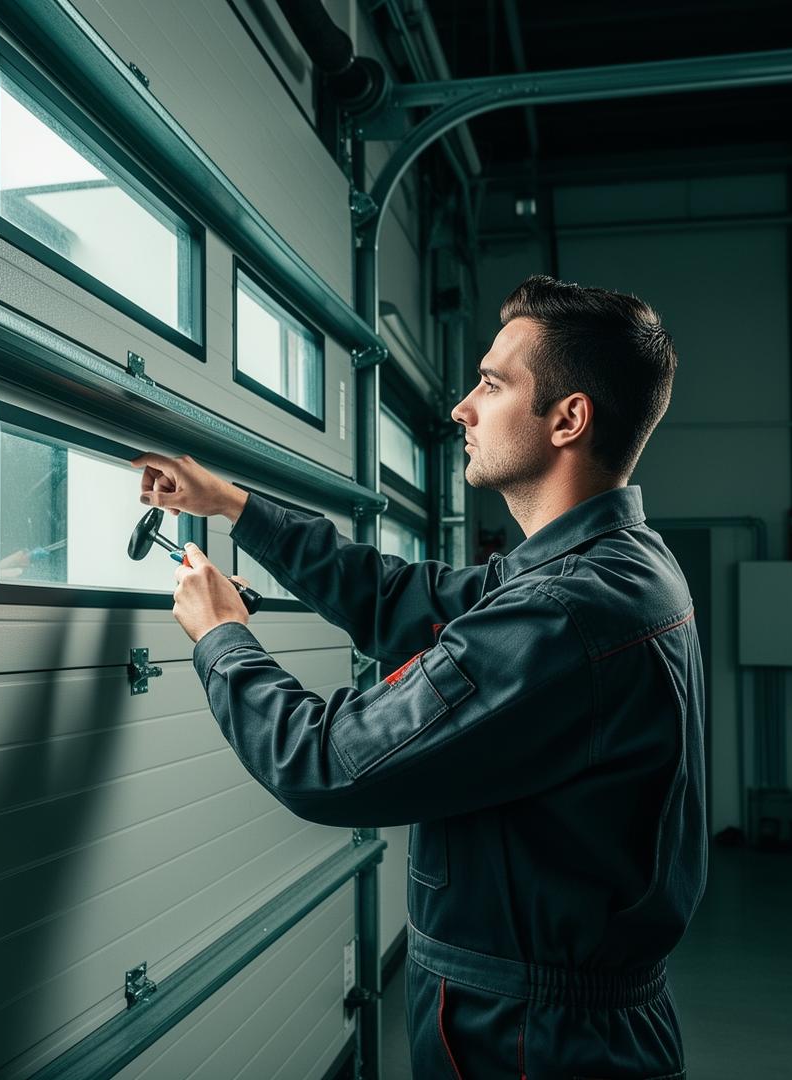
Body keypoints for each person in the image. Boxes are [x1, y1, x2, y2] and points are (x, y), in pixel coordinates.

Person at [132, 275, 703, 1079]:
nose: (462, 408)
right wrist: (234, 506)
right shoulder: (613, 564)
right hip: (559, 1022)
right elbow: (400, 597)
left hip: (529, 1043)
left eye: (492, 385)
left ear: (568, 419)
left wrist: (222, 637)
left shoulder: (564, 613)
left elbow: (328, 764)